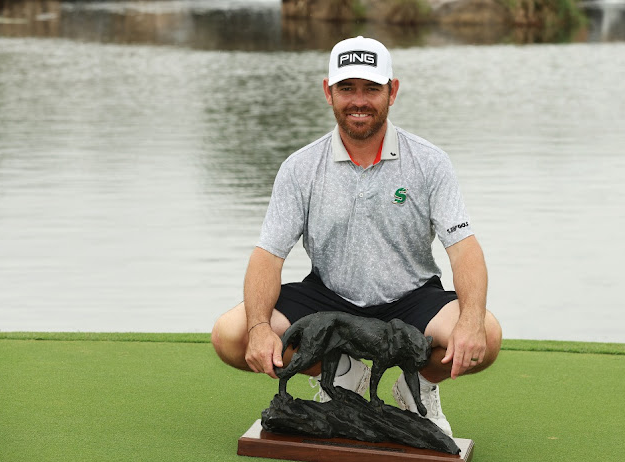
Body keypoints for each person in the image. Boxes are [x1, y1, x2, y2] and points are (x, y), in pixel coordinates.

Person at [211, 36, 502, 437]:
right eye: (347, 88)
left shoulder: (430, 161)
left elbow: (464, 249)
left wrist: (470, 319)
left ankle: (418, 385)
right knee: (231, 335)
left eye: (371, 88)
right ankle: (342, 373)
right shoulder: (300, 167)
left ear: (392, 91)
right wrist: (260, 327)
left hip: (412, 297)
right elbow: (268, 255)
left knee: (487, 332)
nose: (359, 101)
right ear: (328, 91)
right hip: (328, 296)